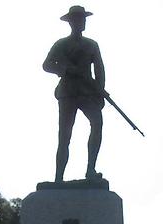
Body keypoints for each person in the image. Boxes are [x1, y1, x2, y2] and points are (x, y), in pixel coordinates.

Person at [43, 5, 105, 183]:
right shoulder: (60, 45)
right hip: (68, 93)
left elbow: (100, 70)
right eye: (79, 19)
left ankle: (90, 169)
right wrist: (66, 69)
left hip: (87, 92)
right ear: (72, 22)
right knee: (64, 135)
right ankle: (59, 177)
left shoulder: (92, 45)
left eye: (84, 19)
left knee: (97, 123)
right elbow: (47, 65)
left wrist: (99, 92)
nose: (83, 22)